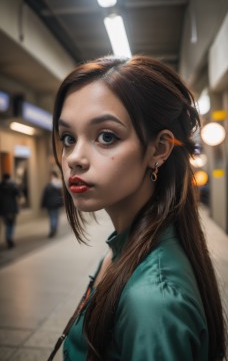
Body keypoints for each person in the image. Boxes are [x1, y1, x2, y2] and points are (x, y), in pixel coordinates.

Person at [48, 55, 227, 361]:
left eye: (106, 136)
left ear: (158, 149)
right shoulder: (130, 243)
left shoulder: (154, 301)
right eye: (68, 137)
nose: (74, 158)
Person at [0, 173, 20, 249]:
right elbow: (18, 193)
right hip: (11, 209)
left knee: (7, 224)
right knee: (11, 224)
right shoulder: (12, 185)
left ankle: (8, 238)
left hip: (3, 210)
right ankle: (9, 238)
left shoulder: (1, 186)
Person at [41, 171, 63, 238]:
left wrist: (42, 205)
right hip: (55, 203)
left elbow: (44, 196)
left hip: (50, 204)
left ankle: (53, 230)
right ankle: (54, 229)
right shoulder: (57, 185)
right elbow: (60, 195)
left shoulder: (48, 186)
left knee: (52, 217)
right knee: (55, 217)